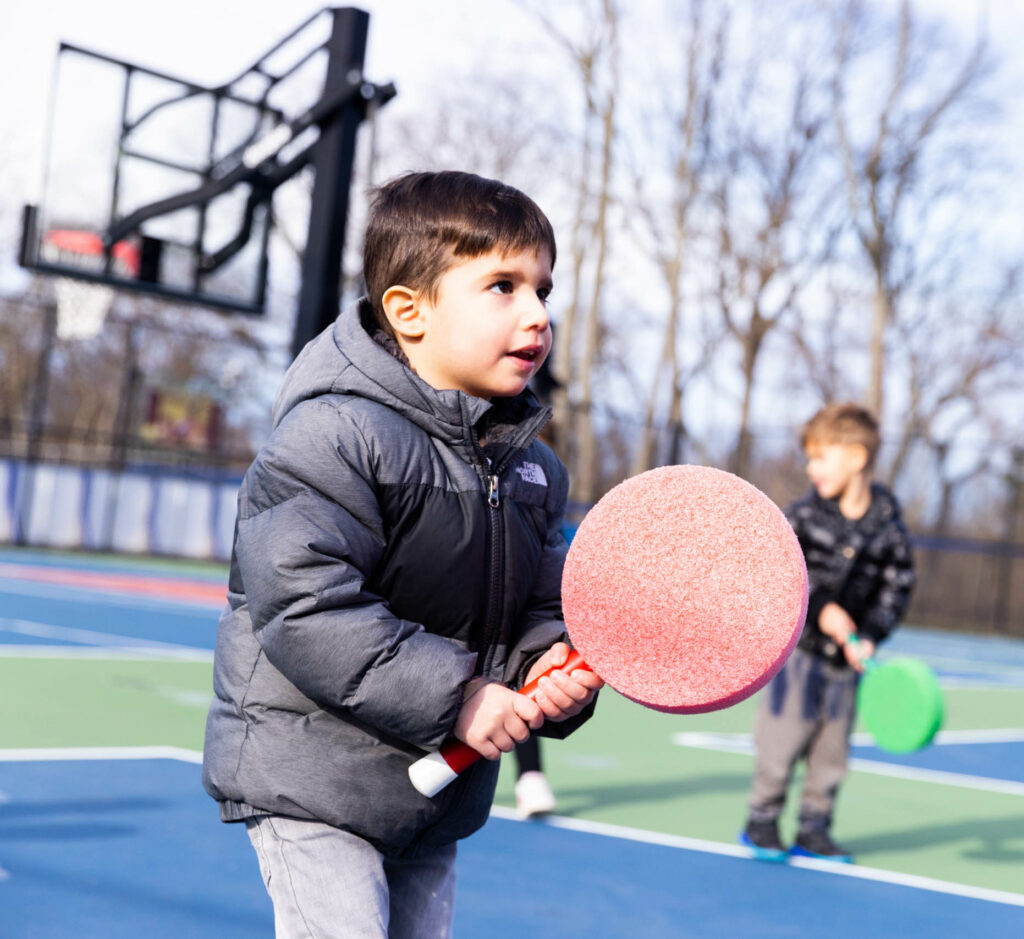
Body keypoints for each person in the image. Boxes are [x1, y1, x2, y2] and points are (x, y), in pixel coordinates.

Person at [202, 170, 603, 937]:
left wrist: (545, 670)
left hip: (433, 795)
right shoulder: (332, 437)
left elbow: (542, 608)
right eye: (503, 286)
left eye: (543, 290)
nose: (537, 313)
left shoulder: (533, 471)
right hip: (311, 777)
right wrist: (462, 696)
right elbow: (307, 604)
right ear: (408, 311)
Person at [740, 402, 915, 863]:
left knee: (831, 750)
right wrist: (820, 610)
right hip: (797, 656)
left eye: (820, 456)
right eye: (809, 457)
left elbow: (896, 589)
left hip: (847, 666)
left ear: (856, 457)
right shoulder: (801, 518)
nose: (810, 467)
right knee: (781, 739)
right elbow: (779, 571)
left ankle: (814, 828)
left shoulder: (890, 531)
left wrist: (873, 633)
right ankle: (762, 820)